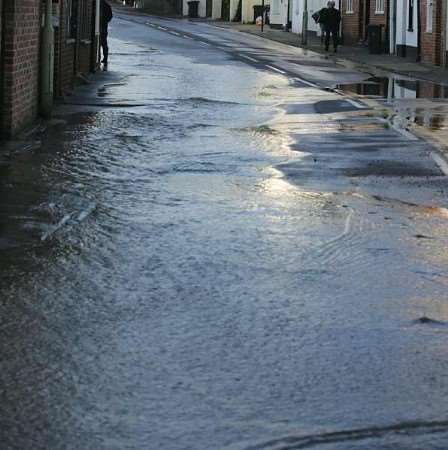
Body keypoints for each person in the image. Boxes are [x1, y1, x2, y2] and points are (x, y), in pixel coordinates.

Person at [100, 0, 113, 67]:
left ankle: (104, 58)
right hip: (104, 26)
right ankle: (105, 58)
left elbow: (110, 17)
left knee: (103, 43)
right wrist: (105, 21)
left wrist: (104, 21)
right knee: (104, 43)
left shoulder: (102, 5)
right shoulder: (107, 6)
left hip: (102, 26)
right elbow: (110, 17)